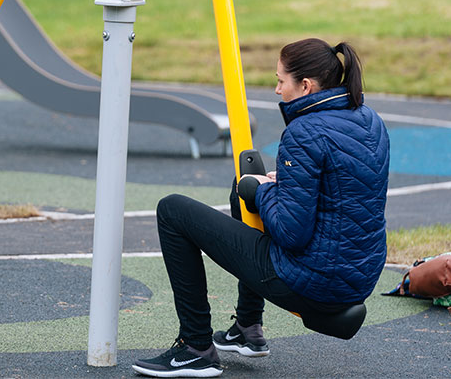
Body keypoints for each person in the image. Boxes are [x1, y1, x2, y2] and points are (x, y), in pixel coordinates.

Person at [133, 38, 389, 377]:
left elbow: (291, 233)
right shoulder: (369, 121)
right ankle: (247, 328)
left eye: (281, 80)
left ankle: (195, 347)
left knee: (173, 210)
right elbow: (339, 193)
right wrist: (280, 185)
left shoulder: (304, 132)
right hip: (356, 277)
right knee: (241, 189)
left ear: (306, 86)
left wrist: (263, 192)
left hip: (312, 282)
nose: (276, 88)